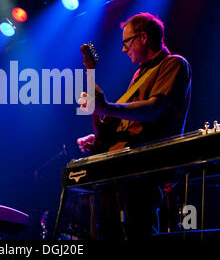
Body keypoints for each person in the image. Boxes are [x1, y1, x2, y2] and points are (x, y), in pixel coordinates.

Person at [76, 12, 192, 240]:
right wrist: (97, 134)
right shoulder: (139, 74)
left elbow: (154, 109)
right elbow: (112, 123)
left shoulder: (174, 63)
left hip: (147, 162)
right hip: (122, 162)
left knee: (140, 228)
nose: (123, 49)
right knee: (109, 231)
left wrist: (105, 108)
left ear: (143, 38)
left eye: (126, 43)